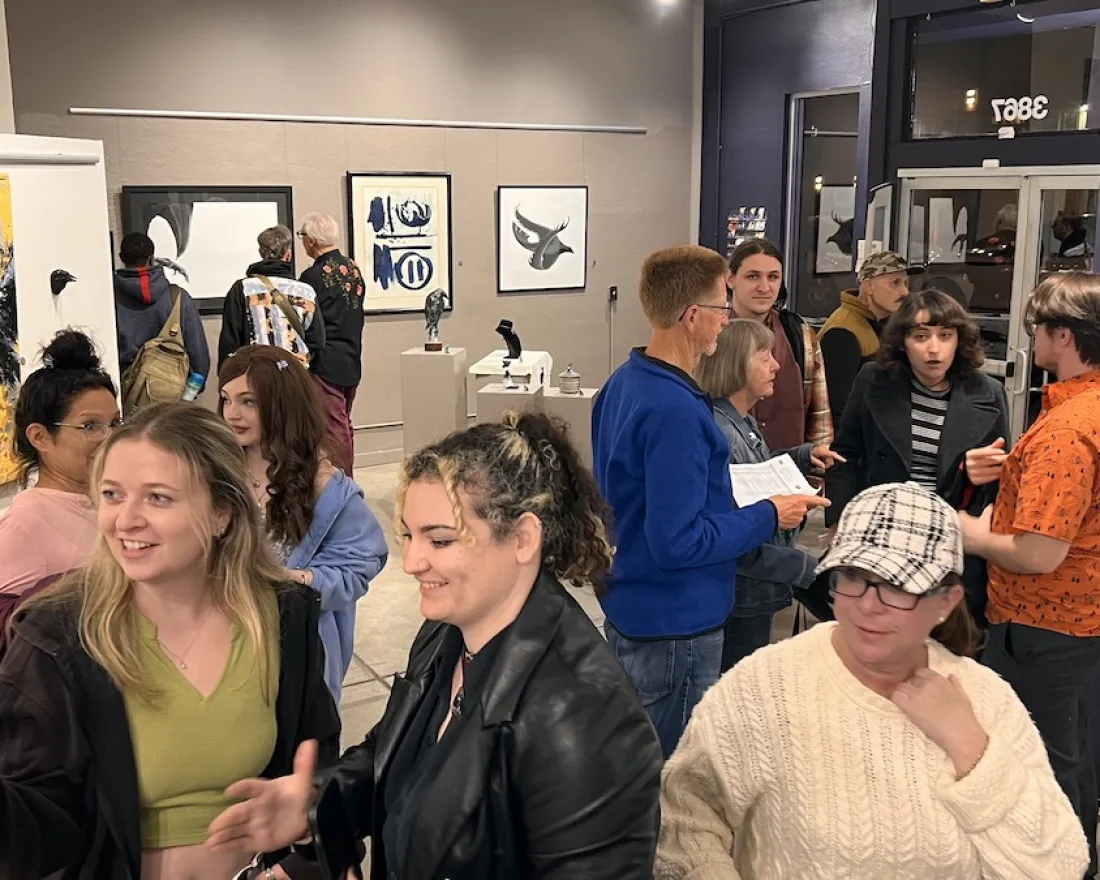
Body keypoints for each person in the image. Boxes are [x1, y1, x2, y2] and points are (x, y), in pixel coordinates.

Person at [207, 411, 664, 878]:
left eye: (441, 541)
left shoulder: (587, 720)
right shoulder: (448, 632)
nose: (412, 562)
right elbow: (396, 754)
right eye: (408, 534)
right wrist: (315, 805)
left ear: (524, 538)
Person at [656, 482, 1088, 880]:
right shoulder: (764, 689)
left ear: (946, 601)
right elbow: (688, 818)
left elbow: (1060, 865)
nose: (867, 606)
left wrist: (970, 747)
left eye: (897, 587)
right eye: (854, 579)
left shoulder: (986, 700)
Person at [0, 403, 339, 880]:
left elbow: (316, 765)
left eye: (158, 498)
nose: (126, 521)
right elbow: (40, 831)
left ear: (222, 512)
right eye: (112, 495)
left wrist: (301, 856)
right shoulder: (56, 637)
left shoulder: (284, 615)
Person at [591, 245, 828, 757]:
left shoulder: (623, 384)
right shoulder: (676, 409)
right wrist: (770, 514)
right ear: (693, 316)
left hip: (634, 608)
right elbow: (679, 542)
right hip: (676, 624)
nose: (728, 322)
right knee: (672, 772)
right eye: (723, 309)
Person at [960, 272, 1100, 877]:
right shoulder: (1083, 412)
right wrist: (1013, 472)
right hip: (1080, 627)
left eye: (1038, 329)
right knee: (1078, 758)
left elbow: (1040, 553)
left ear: (1061, 336)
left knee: (1045, 771)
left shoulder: (1068, 431)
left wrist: (968, 532)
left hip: (1044, 628)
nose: (1031, 341)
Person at [827, 289, 1009, 625]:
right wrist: (840, 522)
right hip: (883, 533)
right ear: (902, 342)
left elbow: (1000, 490)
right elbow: (846, 454)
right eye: (921, 336)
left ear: (960, 341)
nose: (934, 349)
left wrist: (971, 474)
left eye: (945, 336)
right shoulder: (873, 380)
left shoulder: (988, 393)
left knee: (944, 648)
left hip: (950, 538)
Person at [219, 345, 388, 701]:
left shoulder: (327, 489)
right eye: (226, 400)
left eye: (248, 402)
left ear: (282, 405)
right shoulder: (216, 473)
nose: (232, 414)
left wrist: (293, 583)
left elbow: (359, 565)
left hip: (296, 651)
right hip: (221, 642)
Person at [696, 319, 843, 670]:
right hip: (744, 593)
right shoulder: (722, 434)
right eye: (764, 357)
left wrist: (801, 455)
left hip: (756, 589)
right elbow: (737, 536)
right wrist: (811, 569)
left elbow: (755, 472)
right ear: (735, 364)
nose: (776, 366)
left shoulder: (739, 421)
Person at [0, 330, 119, 630]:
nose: (110, 439)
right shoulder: (24, 526)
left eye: (115, 423)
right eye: (90, 426)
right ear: (40, 436)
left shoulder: (115, 502)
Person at [727, 238, 832, 453]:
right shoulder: (712, 333)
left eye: (773, 277)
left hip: (793, 475)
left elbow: (819, 417)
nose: (764, 287)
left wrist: (817, 473)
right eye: (752, 276)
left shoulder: (800, 335)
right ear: (731, 279)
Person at [818, 250, 924, 423]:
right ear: (868, 287)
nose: (905, 291)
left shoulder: (883, 323)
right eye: (895, 283)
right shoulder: (843, 331)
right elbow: (839, 408)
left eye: (906, 283)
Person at [297, 213, 365, 474]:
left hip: (326, 363)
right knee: (344, 423)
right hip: (352, 357)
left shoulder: (312, 277)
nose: (302, 242)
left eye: (303, 237)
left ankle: (343, 486)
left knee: (334, 428)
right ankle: (344, 479)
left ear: (312, 241)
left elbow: (306, 323)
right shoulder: (353, 269)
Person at [217, 225, 326, 369]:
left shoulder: (243, 289)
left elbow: (230, 341)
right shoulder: (306, 292)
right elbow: (317, 341)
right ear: (288, 254)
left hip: (256, 374)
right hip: (296, 376)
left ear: (261, 252)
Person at [113, 231, 210, 384]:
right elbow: (198, 352)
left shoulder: (109, 299)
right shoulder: (178, 297)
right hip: (170, 391)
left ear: (121, 258)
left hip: (124, 389)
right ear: (151, 258)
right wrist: (191, 392)